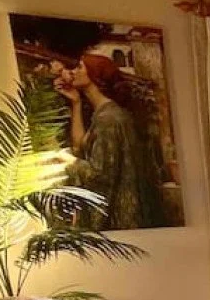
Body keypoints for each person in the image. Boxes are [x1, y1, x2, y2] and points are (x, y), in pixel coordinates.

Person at [53, 53, 164, 229]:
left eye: (80, 67)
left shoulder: (109, 119)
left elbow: (100, 174)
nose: (73, 72)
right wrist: (76, 103)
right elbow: (80, 146)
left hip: (119, 217)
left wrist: (68, 161)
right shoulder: (104, 113)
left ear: (94, 75)